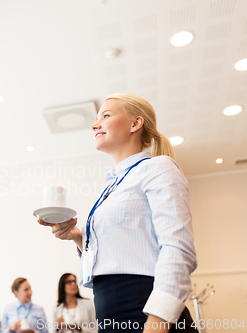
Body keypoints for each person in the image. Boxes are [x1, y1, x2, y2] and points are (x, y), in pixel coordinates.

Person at [38, 93, 197, 333]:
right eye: (96, 118)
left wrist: (158, 322)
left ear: (135, 123)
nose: (94, 124)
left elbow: (178, 249)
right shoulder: (109, 186)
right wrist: (78, 237)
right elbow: (120, 251)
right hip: (108, 311)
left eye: (106, 115)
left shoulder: (157, 168)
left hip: (145, 310)